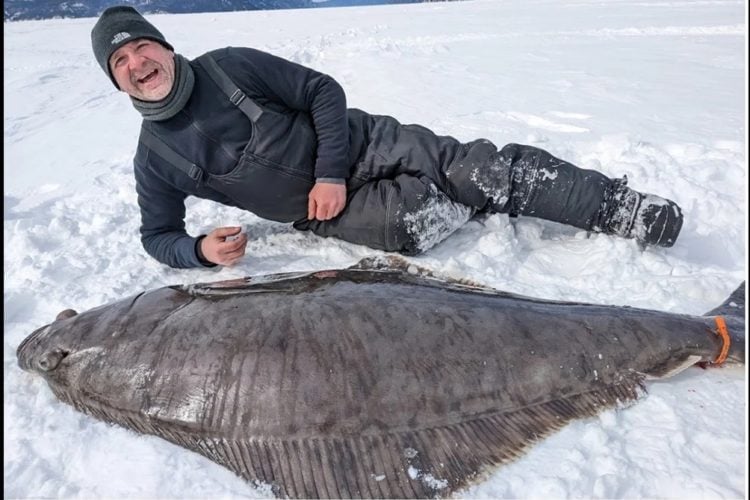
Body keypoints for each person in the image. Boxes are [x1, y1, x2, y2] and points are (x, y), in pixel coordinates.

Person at [91, 6, 683, 269]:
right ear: (118, 85)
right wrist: (197, 252)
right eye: (121, 62)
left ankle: (620, 208)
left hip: (366, 142)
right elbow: (157, 236)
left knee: (483, 172)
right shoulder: (155, 159)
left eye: (143, 45)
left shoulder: (230, 65)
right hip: (324, 215)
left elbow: (322, 90)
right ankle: (455, 205)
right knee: (411, 225)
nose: (138, 62)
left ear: (165, 47)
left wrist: (328, 172)